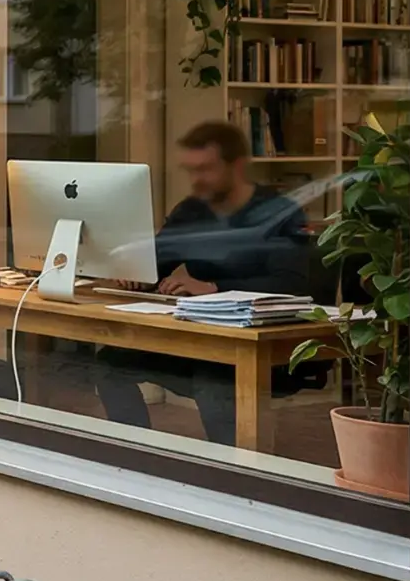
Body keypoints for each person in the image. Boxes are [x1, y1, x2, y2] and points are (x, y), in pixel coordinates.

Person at [93, 120, 313, 445]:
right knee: (109, 365)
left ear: (237, 166)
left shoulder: (278, 212)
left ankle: (235, 477)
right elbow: (155, 266)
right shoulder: (191, 211)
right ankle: (136, 453)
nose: (196, 180)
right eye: (191, 170)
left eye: (206, 170)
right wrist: (134, 274)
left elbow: (294, 285)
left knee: (213, 381)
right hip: (198, 336)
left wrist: (214, 289)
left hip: (257, 343)